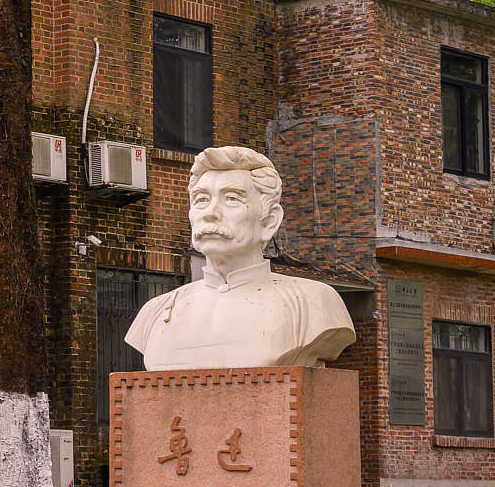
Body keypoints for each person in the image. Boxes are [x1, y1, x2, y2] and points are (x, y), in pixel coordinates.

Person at [124, 145, 356, 369]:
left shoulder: (312, 303)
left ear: (269, 221)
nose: (210, 214)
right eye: (201, 200)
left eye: (232, 198)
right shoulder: (157, 310)